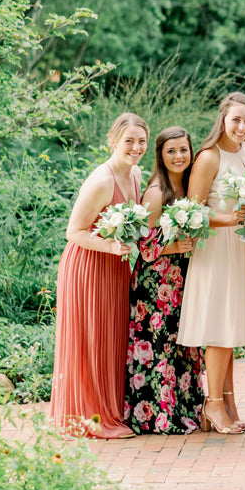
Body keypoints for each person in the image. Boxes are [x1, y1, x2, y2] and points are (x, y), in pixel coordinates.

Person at [50, 112, 149, 438]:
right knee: (91, 340)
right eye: (129, 141)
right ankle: (91, 418)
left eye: (141, 141)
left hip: (114, 267)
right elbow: (74, 231)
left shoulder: (134, 174)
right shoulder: (102, 180)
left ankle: (109, 410)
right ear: (113, 141)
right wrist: (110, 247)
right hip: (88, 266)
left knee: (110, 338)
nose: (136, 147)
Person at [177, 92, 245, 435]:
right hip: (216, 249)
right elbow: (192, 212)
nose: (241, 127)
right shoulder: (209, 157)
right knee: (220, 328)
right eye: (236, 119)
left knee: (231, 328)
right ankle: (212, 404)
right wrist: (230, 221)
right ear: (222, 119)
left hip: (240, 249)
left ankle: (228, 401)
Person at [125, 126, 205, 435]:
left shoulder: (190, 187)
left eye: (183, 150)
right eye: (171, 151)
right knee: (160, 347)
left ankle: (185, 409)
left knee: (183, 345)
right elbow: (143, 247)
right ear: (160, 154)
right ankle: (156, 415)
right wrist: (170, 246)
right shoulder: (157, 192)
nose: (178, 156)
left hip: (184, 279)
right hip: (155, 284)